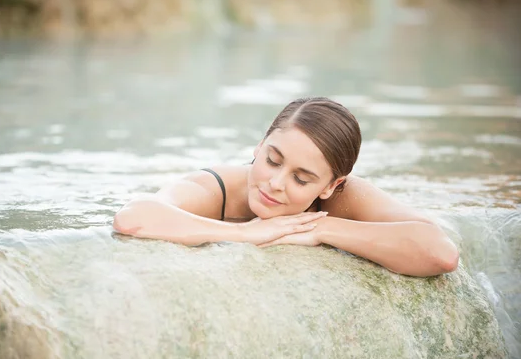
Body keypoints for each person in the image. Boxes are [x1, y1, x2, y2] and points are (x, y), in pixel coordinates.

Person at [113, 97, 459, 277]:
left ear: (331, 185)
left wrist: (322, 228)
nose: (274, 183)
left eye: (301, 178)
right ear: (260, 144)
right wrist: (244, 234)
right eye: (272, 160)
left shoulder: (344, 197)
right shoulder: (217, 187)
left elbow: (441, 253)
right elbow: (133, 217)